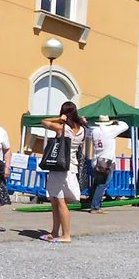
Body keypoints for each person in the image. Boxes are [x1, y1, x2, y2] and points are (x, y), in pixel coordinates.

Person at [39, 101, 86, 244]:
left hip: (60, 167)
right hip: (71, 166)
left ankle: (66, 234)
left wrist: (59, 119)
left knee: (59, 201)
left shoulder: (61, 128)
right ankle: (54, 231)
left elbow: (44, 122)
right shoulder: (82, 129)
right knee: (55, 200)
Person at [86, 115, 130, 213]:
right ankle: (95, 206)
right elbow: (125, 125)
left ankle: (91, 202)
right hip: (107, 161)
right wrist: (116, 121)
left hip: (96, 159)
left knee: (96, 184)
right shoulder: (110, 130)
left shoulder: (95, 131)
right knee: (102, 184)